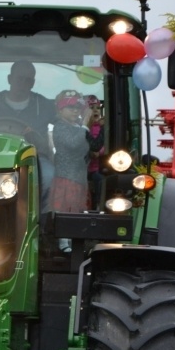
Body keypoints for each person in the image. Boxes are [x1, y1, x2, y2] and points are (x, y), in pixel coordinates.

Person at [0, 61, 57, 212]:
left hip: (35, 157)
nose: (23, 83)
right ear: (10, 79)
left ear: (33, 83)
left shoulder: (44, 105)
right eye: (19, 79)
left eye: (28, 80)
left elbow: (63, 125)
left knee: (50, 177)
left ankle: (42, 221)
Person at [50, 90, 104, 252]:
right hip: (65, 177)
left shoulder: (79, 128)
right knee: (65, 208)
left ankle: (73, 241)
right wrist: (86, 123)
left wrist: (102, 128)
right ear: (60, 110)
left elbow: (94, 146)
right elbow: (73, 143)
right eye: (70, 107)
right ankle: (63, 242)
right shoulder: (60, 127)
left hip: (79, 177)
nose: (75, 110)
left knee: (76, 208)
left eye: (77, 107)